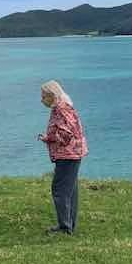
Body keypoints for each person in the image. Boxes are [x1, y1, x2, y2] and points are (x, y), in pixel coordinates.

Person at [38, 80, 88, 235]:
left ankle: (65, 227)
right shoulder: (63, 105)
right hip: (73, 153)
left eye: (44, 96)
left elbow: (67, 133)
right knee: (70, 190)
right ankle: (69, 225)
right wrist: (49, 138)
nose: (41, 100)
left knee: (59, 190)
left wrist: (54, 139)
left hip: (68, 154)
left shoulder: (61, 109)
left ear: (52, 96)